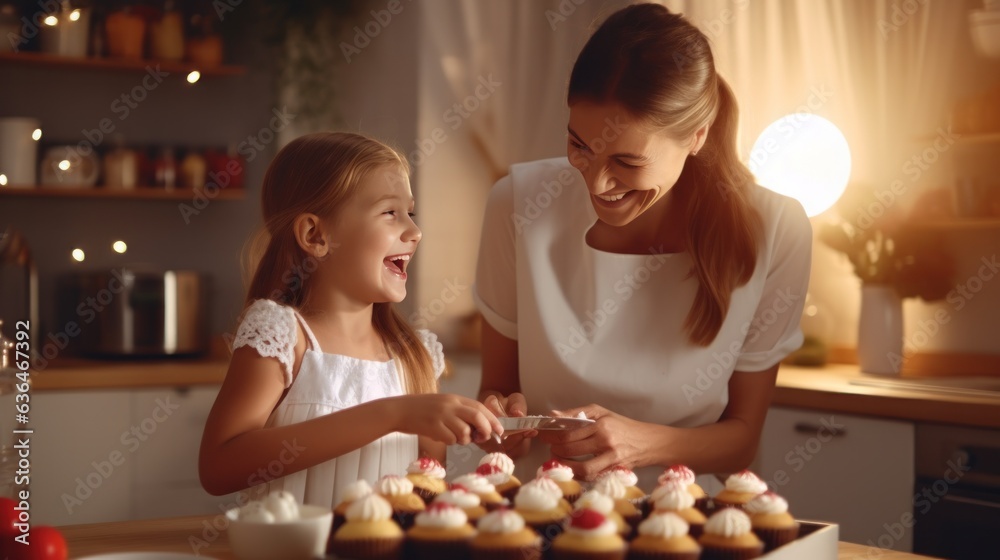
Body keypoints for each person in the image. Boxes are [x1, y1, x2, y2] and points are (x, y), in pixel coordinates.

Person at [474, 3, 812, 489]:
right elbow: (499, 388)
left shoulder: (776, 228)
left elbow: (742, 439)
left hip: (681, 513)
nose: (597, 182)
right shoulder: (517, 203)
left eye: (627, 162)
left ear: (697, 136)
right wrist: (503, 421)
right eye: (580, 146)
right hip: (539, 506)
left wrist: (642, 443)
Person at [199, 132, 502, 507]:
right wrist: (391, 414)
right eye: (390, 212)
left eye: (411, 212)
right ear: (315, 235)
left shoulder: (417, 354)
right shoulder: (282, 336)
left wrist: (487, 434)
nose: (415, 231)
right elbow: (219, 467)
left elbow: (427, 486)